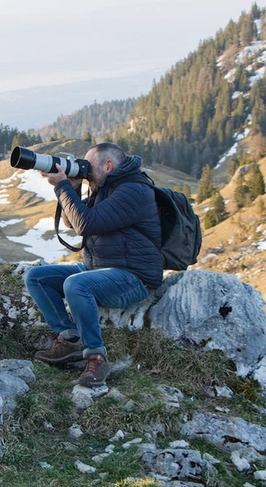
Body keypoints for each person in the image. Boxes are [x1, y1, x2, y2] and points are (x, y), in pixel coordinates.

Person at [24, 142, 162, 387]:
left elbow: (84, 225)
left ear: (108, 165)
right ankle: (70, 339)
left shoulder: (133, 191)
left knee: (77, 285)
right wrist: (73, 189)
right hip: (99, 269)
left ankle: (96, 356)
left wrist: (63, 185)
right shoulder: (105, 188)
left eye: (89, 166)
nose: (85, 170)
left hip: (133, 277)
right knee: (36, 277)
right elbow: (71, 221)